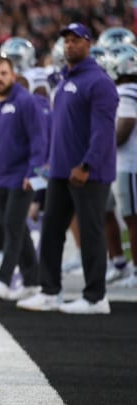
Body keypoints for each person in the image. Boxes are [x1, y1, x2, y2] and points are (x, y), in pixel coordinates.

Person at [17, 23, 118, 314]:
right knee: (51, 231)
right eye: (67, 41)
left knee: (91, 232)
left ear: (89, 44)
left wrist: (87, 164)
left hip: (88, 173)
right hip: (60, 171)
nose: (70, 45)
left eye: (76, 40)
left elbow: (103, 131)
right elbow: (60, 127)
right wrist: (51, 161)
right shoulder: (65, 79)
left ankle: (96, 297)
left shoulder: (99, 82)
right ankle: (50, 291)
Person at [0, 57, 45, 301]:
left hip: (21, 178)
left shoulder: (25, 101)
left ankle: (2, 279)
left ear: (13, 75)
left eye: (3, 73)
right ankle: (32, 280)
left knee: (13, 226)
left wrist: (34, 173)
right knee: (12, 229)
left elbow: (39, 140)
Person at [109, 43, 137, 288]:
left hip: (129, 164)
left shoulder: (128, 90)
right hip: (127, 164)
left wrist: (104, 142)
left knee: (132, 219)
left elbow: (125, 127)